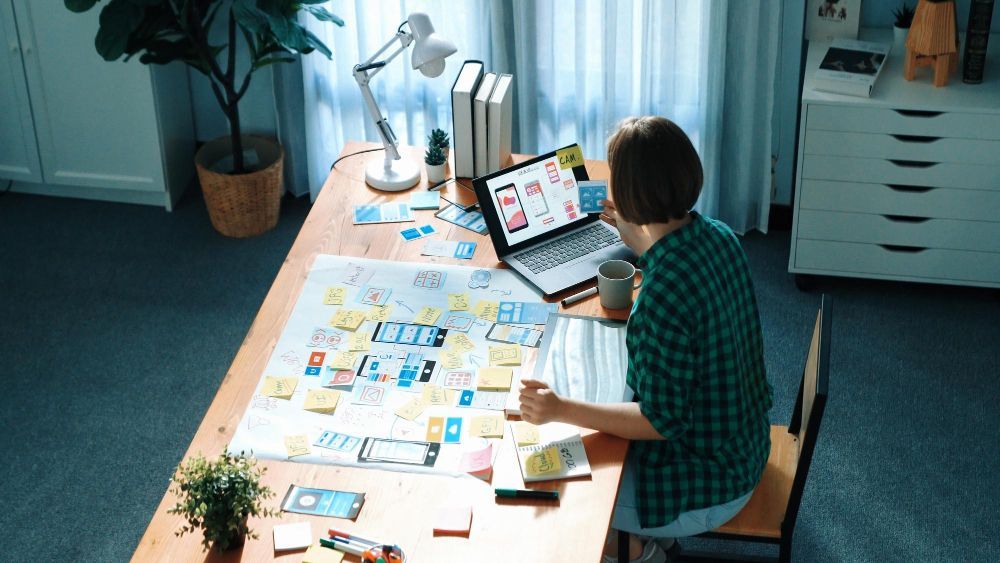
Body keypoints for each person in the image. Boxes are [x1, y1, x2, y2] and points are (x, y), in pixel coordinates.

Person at [519, 116, 773, 563]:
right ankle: (648, 538)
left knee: (566, 497)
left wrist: (560, 408)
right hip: (743, 441)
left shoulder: (661, 296)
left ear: (634, 197)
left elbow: (660, 422)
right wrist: (632, 229)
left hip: (710, 479)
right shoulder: (719, 235)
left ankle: (640, 551)